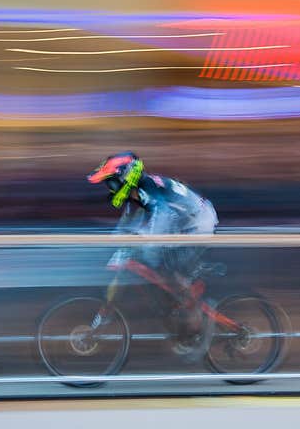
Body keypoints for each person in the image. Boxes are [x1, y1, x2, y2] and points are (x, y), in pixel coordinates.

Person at [86, 151, 220, 357]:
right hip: (182, 221)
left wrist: (142, 245)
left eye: (111, 184)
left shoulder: (148, 190)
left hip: (198, 222)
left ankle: (194, 326)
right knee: (154, 262)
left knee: (172, 271)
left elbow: (160, 222)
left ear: (125, 177)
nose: (110, 189)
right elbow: (125, 227)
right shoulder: (136, 193)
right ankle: (180, 307)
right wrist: (114, 245)